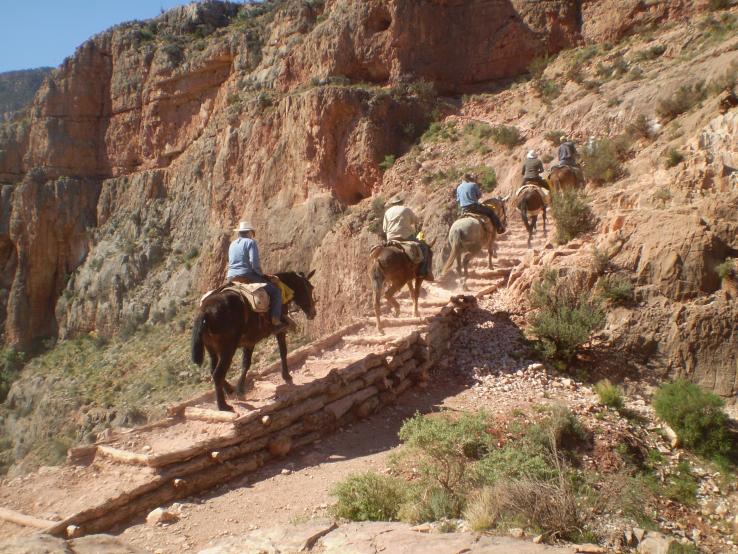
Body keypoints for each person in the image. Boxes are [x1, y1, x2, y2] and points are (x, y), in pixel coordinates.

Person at [226, 221, 288, 333]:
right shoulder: (250, 243)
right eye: (252, 233)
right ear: (249, 232)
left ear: (239, 233)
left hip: (231, 277)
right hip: (247, 276)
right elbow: (254, 263)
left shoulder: (232, 244)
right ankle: (275, 321)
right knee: (276, 292)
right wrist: (262, 275)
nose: (252, 235)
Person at [382, 193, 434, 281]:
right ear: (401, 202)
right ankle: (422, 271)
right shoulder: (406, 209)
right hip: (405, 236)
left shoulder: (387, 212)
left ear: (393, 204)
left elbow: (384, 229)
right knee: (424, 247)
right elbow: (416, 221)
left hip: (390, 238)